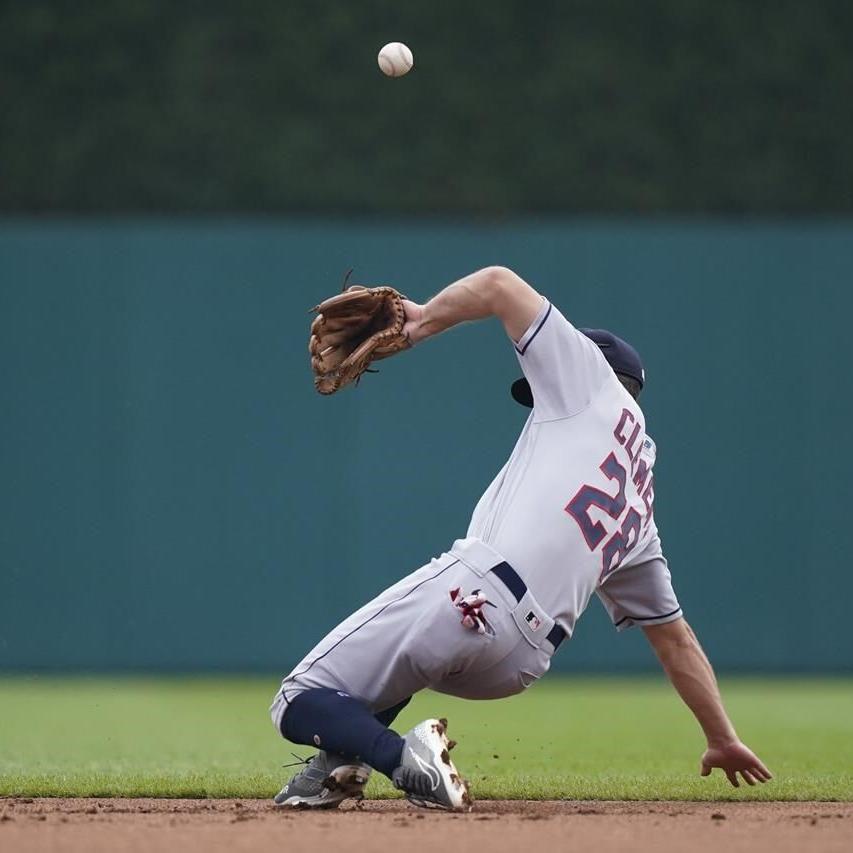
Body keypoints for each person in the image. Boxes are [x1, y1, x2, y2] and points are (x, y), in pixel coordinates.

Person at [270, 266, 771, 810]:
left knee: (297, 700)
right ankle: (336, 766)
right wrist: (722, 737)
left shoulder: (588, 381)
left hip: (478, 593)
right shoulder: (638, 508)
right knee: (397, 664)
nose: (536, 395)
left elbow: (498, 284)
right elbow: (674, 639)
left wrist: (420, 323)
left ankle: (401, 760)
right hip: (519, 664)